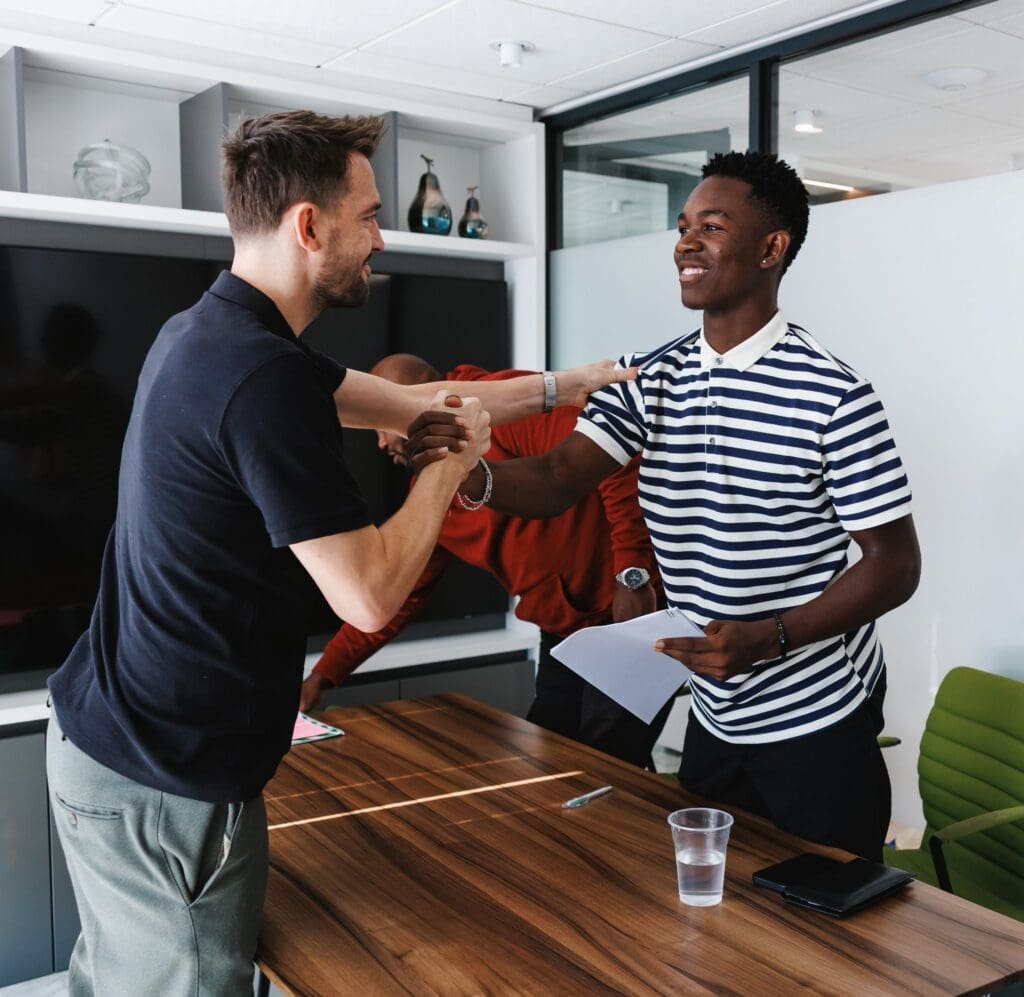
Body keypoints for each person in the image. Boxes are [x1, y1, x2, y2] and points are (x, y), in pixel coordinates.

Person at [44, 110, 632, 996]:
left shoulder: (209, 332)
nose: (381, 239)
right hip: (163, 778)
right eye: (369, 216)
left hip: (113, 741)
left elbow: (418, 402)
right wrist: (449, 469)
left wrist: (567, 386)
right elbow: (367, 594)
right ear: (309, 227)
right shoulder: (264, 379)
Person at [415, 151, 921, 861]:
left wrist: (768, 637)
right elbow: (559, 476)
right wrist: (472, 476)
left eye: (711, 227)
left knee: (828, 916)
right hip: (714, 711)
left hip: (816, 715)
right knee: (713, 908)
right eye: (683, 227)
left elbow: (893, 565)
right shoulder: (650, 376)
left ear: (771, 248)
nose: (686, 243)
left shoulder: (834, 394)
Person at [300, 353, 672, 766]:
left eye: (379, 425)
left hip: (627, 615)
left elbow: (617, 454)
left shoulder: (501, 409)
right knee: (551, 761)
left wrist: (632, 573)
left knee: (609, 765)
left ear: (413, 401)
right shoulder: (432, 493)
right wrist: (323, 675)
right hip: (563, 631)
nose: (381, 443)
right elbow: (396, 593)